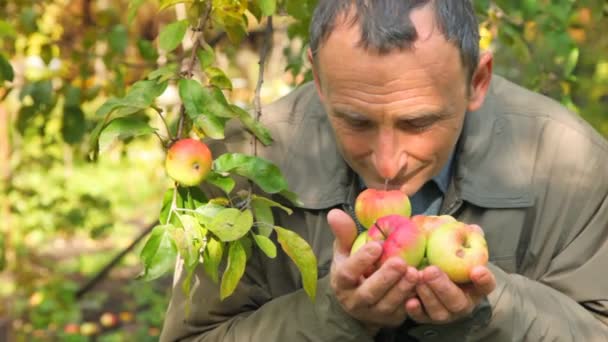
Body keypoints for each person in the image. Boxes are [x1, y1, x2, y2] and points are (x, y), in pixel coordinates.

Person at [160, 1, 608, 341]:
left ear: (477, 81)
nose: (388, 163)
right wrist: (335, 314)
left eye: (419, 123)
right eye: (355, 121)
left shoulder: (570, 162)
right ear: (317, 79)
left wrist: (490, 307)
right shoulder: (246, 165)